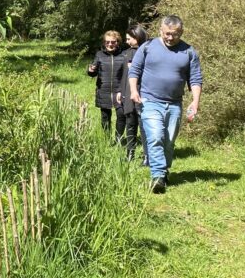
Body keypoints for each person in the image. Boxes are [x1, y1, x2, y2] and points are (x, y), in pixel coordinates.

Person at [128, 15, 203, 194]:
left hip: (174, 104)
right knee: (155, 137)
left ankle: (163, 170)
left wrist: (195, 101)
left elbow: (195, 78)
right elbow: (135, 70)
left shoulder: (189, 52)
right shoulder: (147, 47)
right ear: (161, 31)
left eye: (175, 34)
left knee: (168, 142)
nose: (170, 38)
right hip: (150, 101)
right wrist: (133, 90)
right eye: (167, 34)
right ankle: (158, 176)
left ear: (181, 32)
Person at [116, 24, 148, 164]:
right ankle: (130, 153)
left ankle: (148, 156)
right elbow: (123, 75)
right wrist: (120, 91)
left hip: (143, 91)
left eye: (130, 38)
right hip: (128, 92)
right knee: (130, 123)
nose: (127, 41)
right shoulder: (127, 52)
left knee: (144, 125)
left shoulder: (148, 51)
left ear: (138, 37)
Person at [87, 30, 126, 139]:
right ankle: (106, 139)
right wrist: (90, 70)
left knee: (121, 115)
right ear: (104, 43)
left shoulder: (124, 55)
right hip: (103, 90)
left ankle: (118, 139)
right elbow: (92, 72)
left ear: (117, 42)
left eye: (113, 42)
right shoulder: (99, 55)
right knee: (105, 117)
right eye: (107, 42)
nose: (110, 44)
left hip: (119, 90)